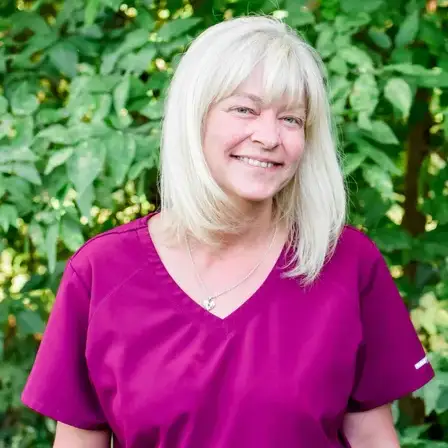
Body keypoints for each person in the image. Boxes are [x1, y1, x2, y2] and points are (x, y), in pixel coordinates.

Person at [21, 15, 434, 448]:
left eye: (291, 119)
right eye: (245, 110)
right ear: (194, 116)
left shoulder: (347, 262)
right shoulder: (101, 272)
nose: (269, 136)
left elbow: (372, 438)